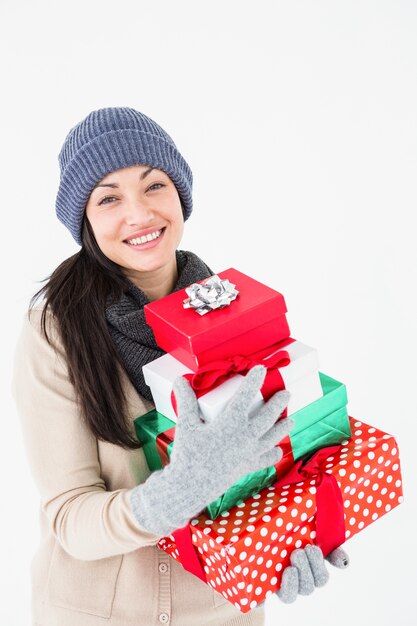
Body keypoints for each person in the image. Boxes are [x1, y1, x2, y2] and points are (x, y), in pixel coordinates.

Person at [11, 107, 349, 626]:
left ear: (180, 194)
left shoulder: (235, 313)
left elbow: (270, 466)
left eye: (154, 186)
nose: (140, 214)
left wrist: (291, 537)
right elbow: (70, 517)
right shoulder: (56, 331)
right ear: (85, 220)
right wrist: (178, 492)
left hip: (220, 612)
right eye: (108, 198)